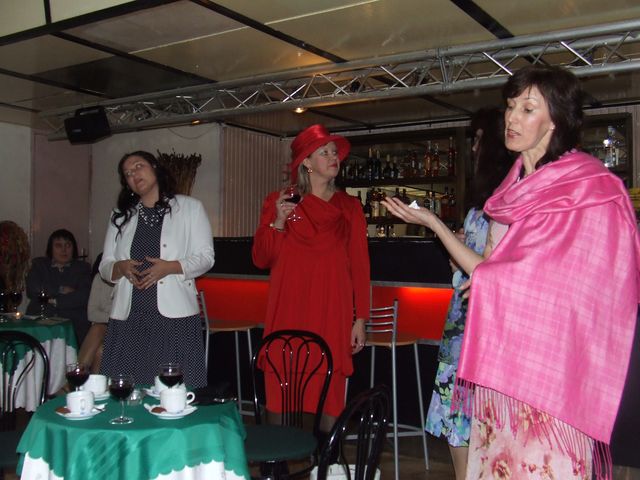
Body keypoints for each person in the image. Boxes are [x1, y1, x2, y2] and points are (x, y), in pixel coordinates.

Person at [452, 66, 637, 479]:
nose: (512, 117)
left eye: (528, 108)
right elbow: (495, 268)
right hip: (502, 360)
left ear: (555, 120)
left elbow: (593, 284)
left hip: (554, 368)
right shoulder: (508, 192)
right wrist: (487, 280)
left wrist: (494, 282)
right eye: (511, 106)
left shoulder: (590, 187)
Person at [387, 109, 512, 480]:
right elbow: (463, 270)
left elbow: (487, 272)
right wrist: (458, 247)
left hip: (485, 328)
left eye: (478, 140)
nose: (473, 148)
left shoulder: (506, 203)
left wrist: (434, 224)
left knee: (478, 424)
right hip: (463, 324)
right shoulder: (484, 204)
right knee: (459, 420)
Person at [252, 124, 369, 433]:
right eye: (324, 152)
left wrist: (360, 319)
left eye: (335, 152)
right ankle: (280, 453)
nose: (334, 157)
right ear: (306, 162)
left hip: (332, 309)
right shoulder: (279, 201)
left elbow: (360, 266)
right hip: (289, 307)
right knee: (282, 376)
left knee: (329, 386)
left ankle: (326, 455)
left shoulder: (350, 207)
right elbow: (261, 258)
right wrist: (278, 221)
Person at [99, 150, 214, 387]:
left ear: (154, 167)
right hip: (129, 317)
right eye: (127, 174)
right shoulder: (120, 216)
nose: (133, 174)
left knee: (173, 392)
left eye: (138, 166)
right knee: (128, 389)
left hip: (175, 319)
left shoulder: (190, 208)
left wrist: (171, 267)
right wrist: (120, 267)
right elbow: (105, 267)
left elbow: (206, 258)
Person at [26, 229, 91, 343]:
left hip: (72, 322)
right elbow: (33, 288)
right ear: (50, 248)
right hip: (40, 319)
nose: (64, 250)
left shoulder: (83, 268)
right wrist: (60, 289)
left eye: (68, 245)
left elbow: (83, 296)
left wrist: (53, 301)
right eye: (58, 245)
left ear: (74, 248)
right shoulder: (39, 265)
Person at [77, 254, 112, 373]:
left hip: (123, 328)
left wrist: (112, 318)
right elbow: (92, 313)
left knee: (98, 329)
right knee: (100, 349)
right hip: (104, 328)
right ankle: (82, 375)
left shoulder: (129, 281)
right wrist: (112, 317)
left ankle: (77, 375)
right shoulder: (99, 279)